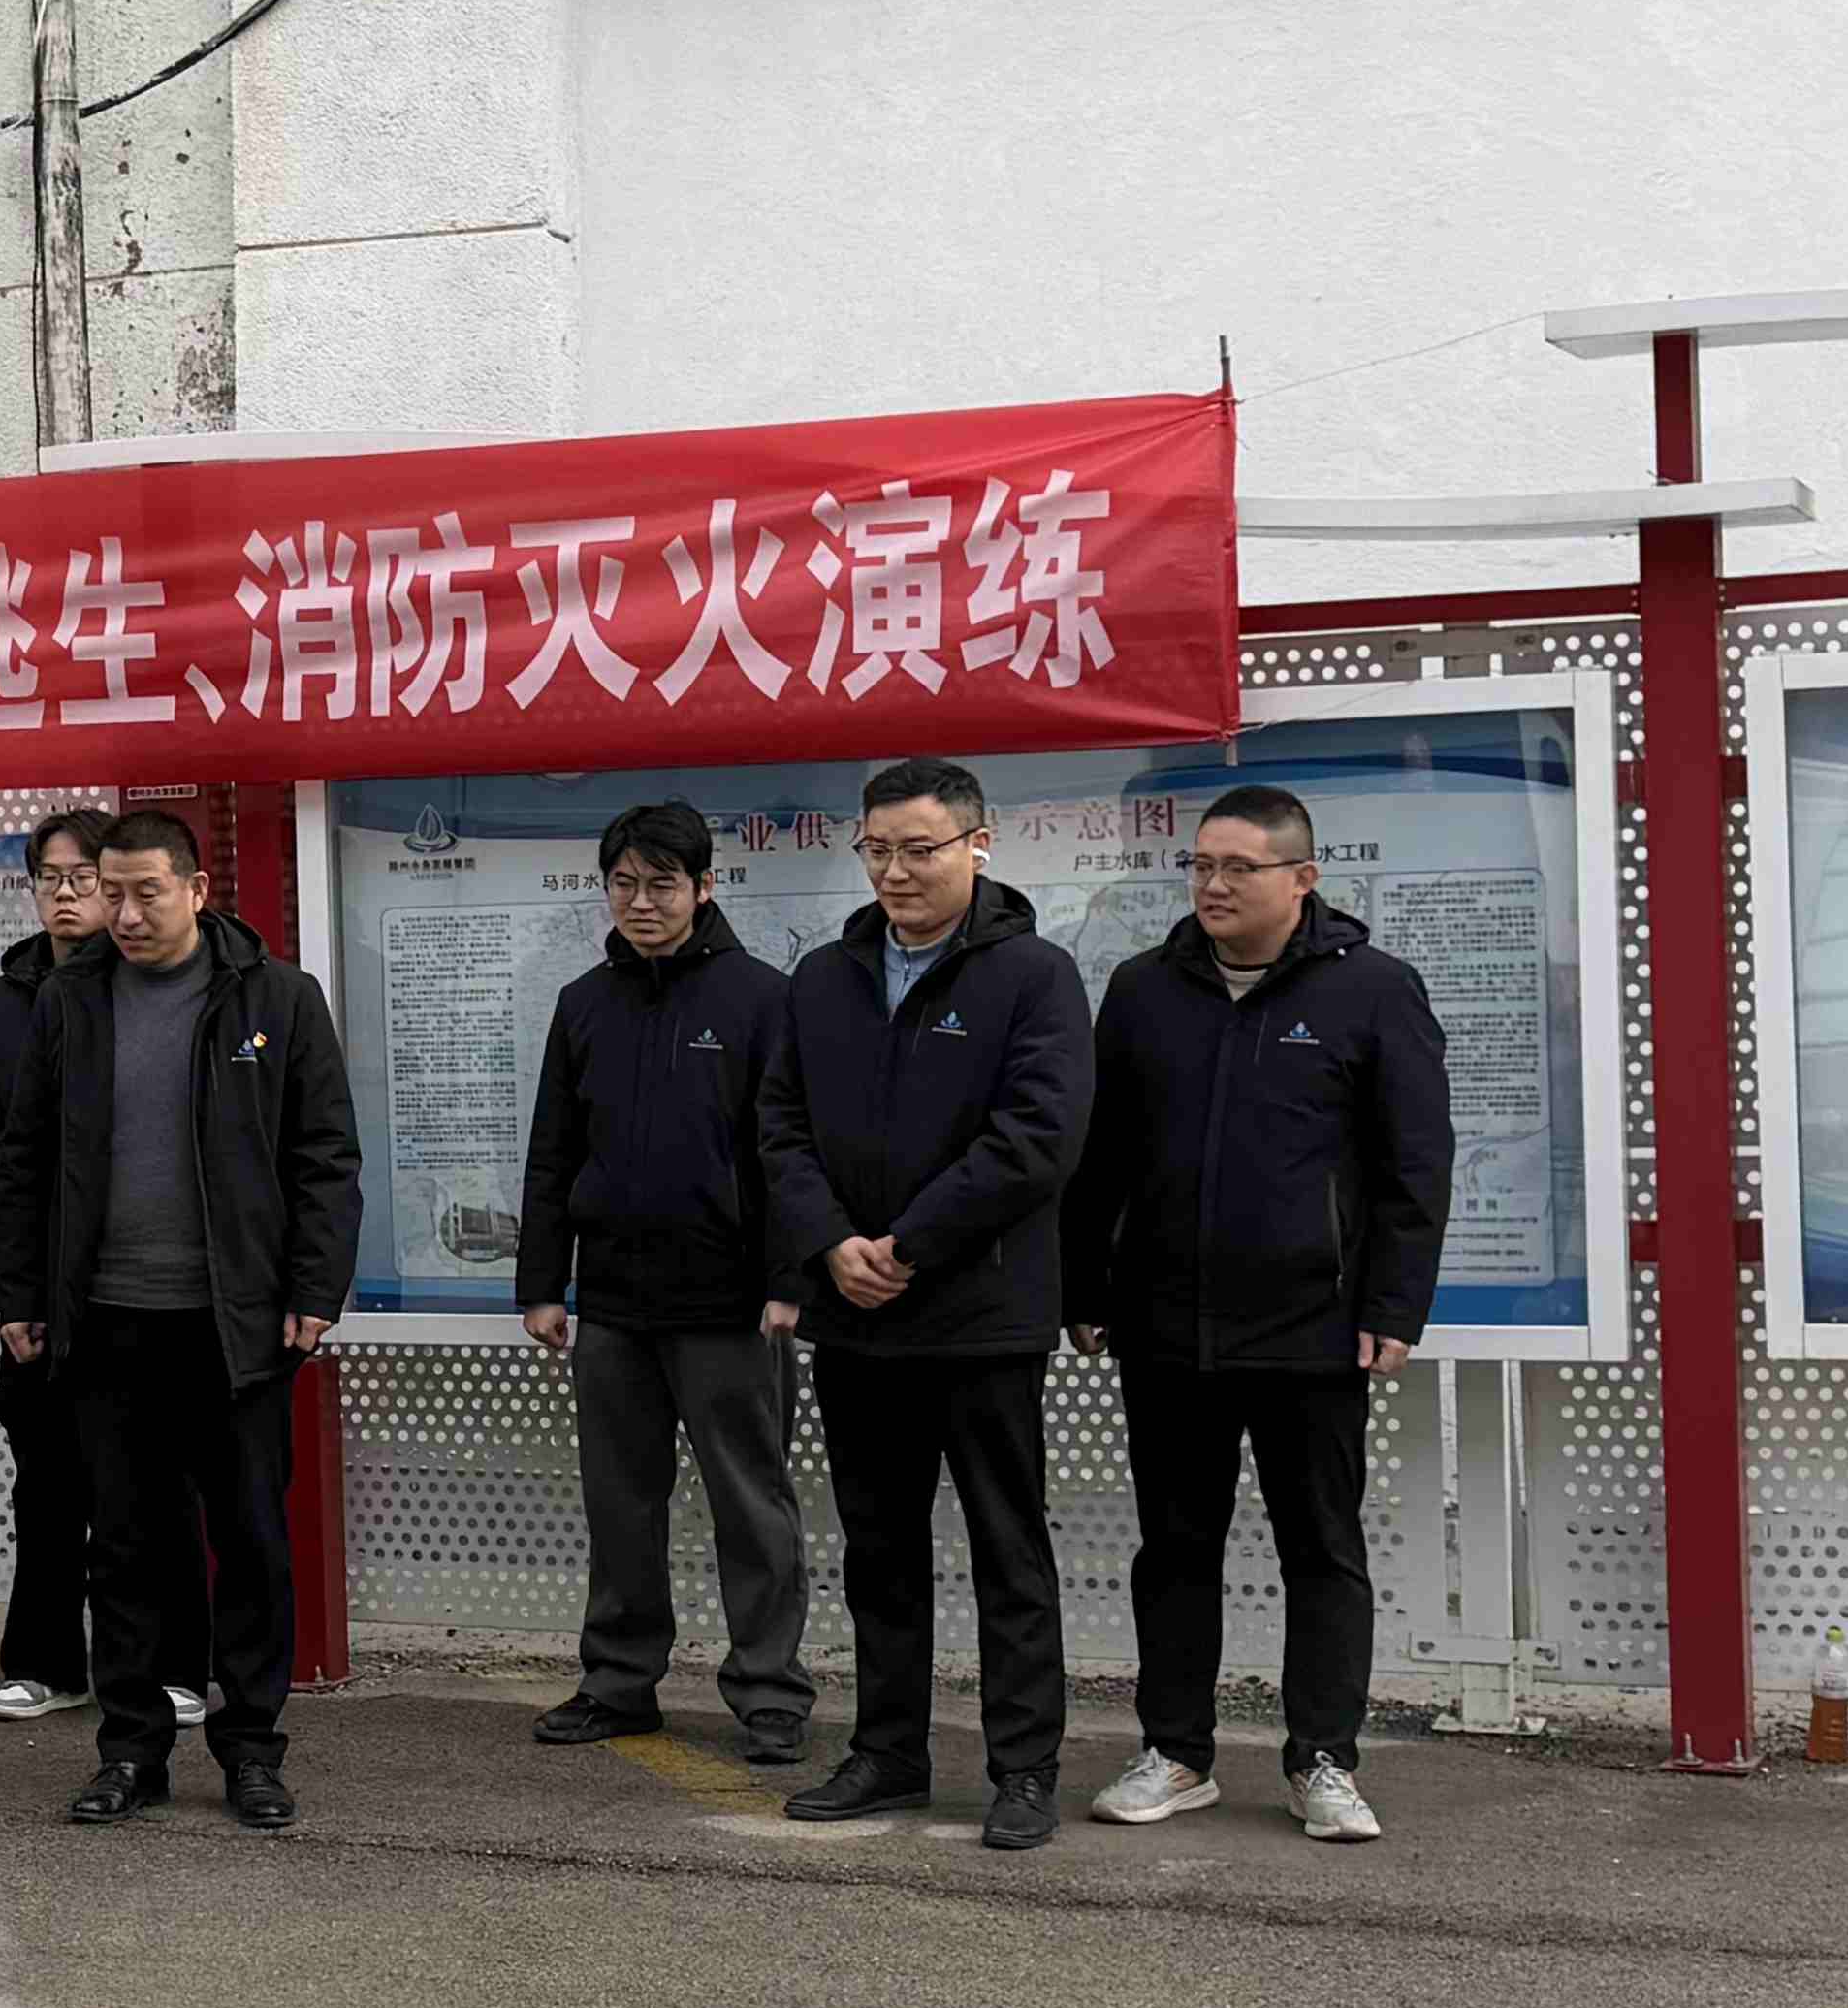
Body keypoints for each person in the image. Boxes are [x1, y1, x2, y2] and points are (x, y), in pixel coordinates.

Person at [1065, 785, 1453, 1844]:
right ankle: (1175, 1751)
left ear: (1301, 878)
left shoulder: (1372, 991)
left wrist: (1393, 1307)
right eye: (1199, 866)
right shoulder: (1143, 990)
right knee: (1173, 1548)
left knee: (1320, 1550)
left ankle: (1321, 1758)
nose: (1213, 886)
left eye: (1238, 867)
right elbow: (1100, 1159)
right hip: (1165, 1327)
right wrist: (1083, 1289)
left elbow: (1412, 1168)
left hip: (1313, 1330)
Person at [0, 807, 357, 1832]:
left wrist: (311, 1291)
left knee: (245, 1540)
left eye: (147, 890)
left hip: (233, 1326)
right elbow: (26, 1163)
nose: (125, 911)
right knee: (125, 1547)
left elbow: (323, 1155)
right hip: (104, 1322)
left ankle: (249, 1749)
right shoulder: (69, 1000)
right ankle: (130, 1750)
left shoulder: (273, 999)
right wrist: (19, 1296)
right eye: (111, 892)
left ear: (197, 890)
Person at [761, 759, 1095, 1851]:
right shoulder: (822, 976)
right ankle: (887, 1752)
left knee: (1007, 1549)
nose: (894, 871)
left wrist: (908, 1244)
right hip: (854, 1314)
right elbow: (779, 1129)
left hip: (980, 1314)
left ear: (976, 846)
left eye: (919, 849)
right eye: (875, 849)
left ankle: (1022, 1768)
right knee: (878, 1549)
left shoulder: (1033, 976)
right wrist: (826, 1245)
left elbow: (1035, 1140)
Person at [514, 800, 814, 1766]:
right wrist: (540, 1284)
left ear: (702, 887)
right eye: (623, 883)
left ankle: (767, 1693)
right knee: (617, 1503)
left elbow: (785, 1155)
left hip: (730, 1304)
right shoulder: (581, 1003)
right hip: (611, 1303)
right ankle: (616, 1683)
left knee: (750, 1504)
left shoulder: (760, 998)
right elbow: (551, 1152)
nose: (639, 903)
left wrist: (785, 1280)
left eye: (660, 884)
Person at [0, 808, 204, 1733]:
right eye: (49, 877)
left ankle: (176, 1665)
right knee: (47, 1479)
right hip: (42, 1287)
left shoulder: (155, 993)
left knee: (158, 1483)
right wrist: (27, 1256)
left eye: (84, 876)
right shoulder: (4, 1002)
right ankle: (48, 1663)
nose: (68, 893)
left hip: (139, 1283)